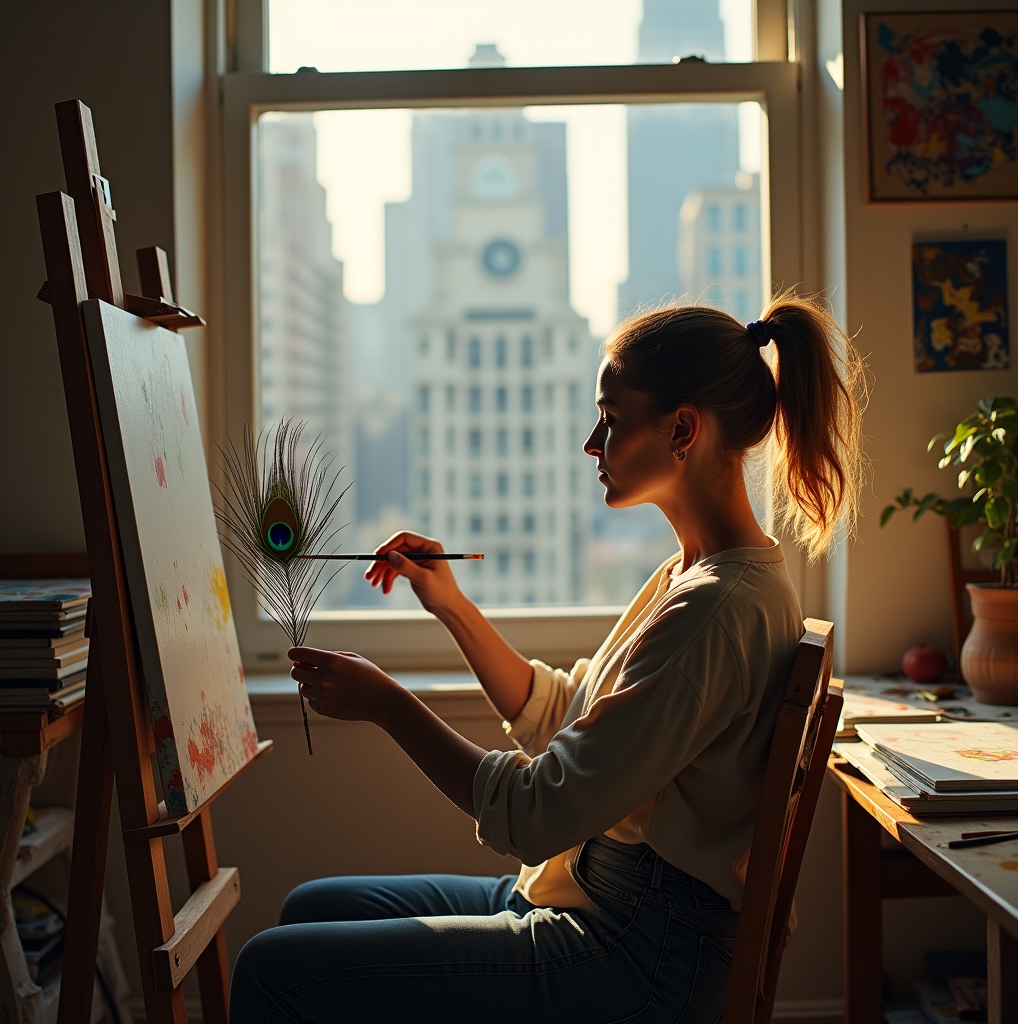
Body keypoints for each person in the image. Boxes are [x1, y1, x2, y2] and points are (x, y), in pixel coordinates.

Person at [228, 294, 865, 1023]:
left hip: (638, 954)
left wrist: (388, 705)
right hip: (599, 900)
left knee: (271, 971)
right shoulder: (692, 576)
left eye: (611, 420)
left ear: (683, 429)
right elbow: (573, 720)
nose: (592, 444)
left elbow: (540, 813)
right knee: (311, 907)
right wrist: (453, 607)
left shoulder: (719, 608)